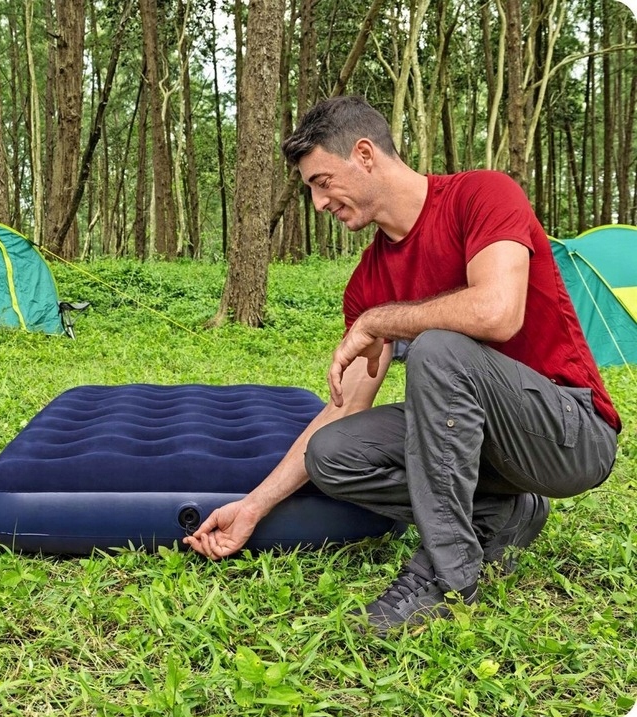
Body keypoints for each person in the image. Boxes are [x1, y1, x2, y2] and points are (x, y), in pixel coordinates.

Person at [184, 96, 620, 634]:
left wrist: (381, 322)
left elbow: (498, 312)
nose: (318, 203)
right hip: (488, 452)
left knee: (438, 348)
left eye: (322, 182)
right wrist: (253, 506)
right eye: (311, 189)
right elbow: (344, 408)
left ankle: (446, 576)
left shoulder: (483, 195)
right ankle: (501, 512)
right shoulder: (368, 282)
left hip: (569, 434)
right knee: (332, 454)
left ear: (364, 154)